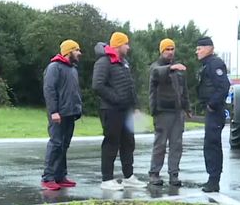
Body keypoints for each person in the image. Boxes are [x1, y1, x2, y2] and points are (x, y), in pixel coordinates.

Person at [92, 31, 145, 191]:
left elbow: (130, 85)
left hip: (126, 110)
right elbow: (98, 85)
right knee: (111, 143)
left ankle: (128, 176)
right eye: (126, 44)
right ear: (118, 45)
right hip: (111, 109)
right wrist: (116, 99)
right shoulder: (104, 62)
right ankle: (107, 179)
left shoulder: (124, 62)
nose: (128, 47)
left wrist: (134, 106)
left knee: (128, 143)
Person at [148, 38, 191, 187]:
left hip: (177, 112)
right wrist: (170, 69)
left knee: (176, 145)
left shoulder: (178, 69)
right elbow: (156, 73)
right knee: (160, 145)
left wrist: (187, 108)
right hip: (162, 111)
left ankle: (174, 174)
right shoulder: (157, 67)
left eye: (172, 49)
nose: (170, 52)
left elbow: (184, 90)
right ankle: (154, 173)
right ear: (161, 51)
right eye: (167, 49)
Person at [41, 39, 83, 191]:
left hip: (70, 114)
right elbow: (49, 90)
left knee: (64, 145)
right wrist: (53, 111)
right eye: (77, 50)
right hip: (58, 114)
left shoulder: (72, 69)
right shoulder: (54, 67)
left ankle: (60, 176)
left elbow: (74, 92)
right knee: (56, 144)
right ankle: (48, 177)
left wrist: (78, 109)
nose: (80, 53)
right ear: (68, 51)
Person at [196, 36, 230, 192]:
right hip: (212, 110)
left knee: (212, 145)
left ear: (209, 48)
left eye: (200, 48)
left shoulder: (214, 63)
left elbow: (223, 86)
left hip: (215, 111)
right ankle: (212, 179)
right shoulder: (207, 64)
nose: (197, 51)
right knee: (210, 144)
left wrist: (211, 104)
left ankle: (214, 180)